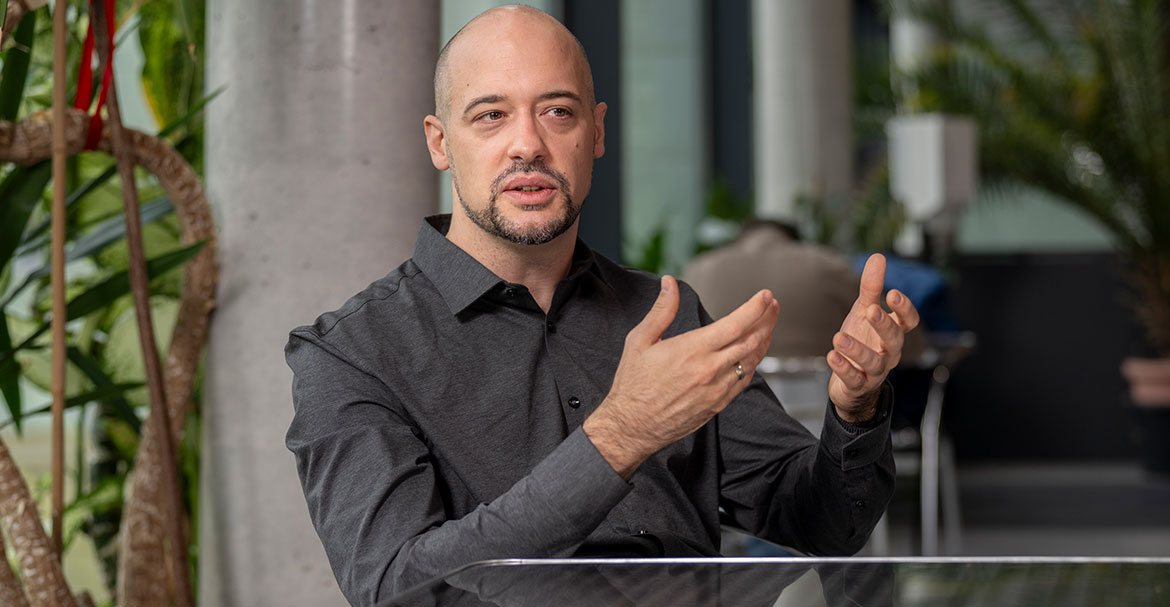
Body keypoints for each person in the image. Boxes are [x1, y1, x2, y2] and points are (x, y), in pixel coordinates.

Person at [285, 6, 920, 605]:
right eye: (491, 115)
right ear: (440, 142)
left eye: (557, 112)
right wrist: (620, 435)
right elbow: (396, 589)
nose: (527, 144)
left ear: (597, 131)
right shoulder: (351, 354)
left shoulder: (667, 312)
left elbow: (824, 526)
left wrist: (854, 409)